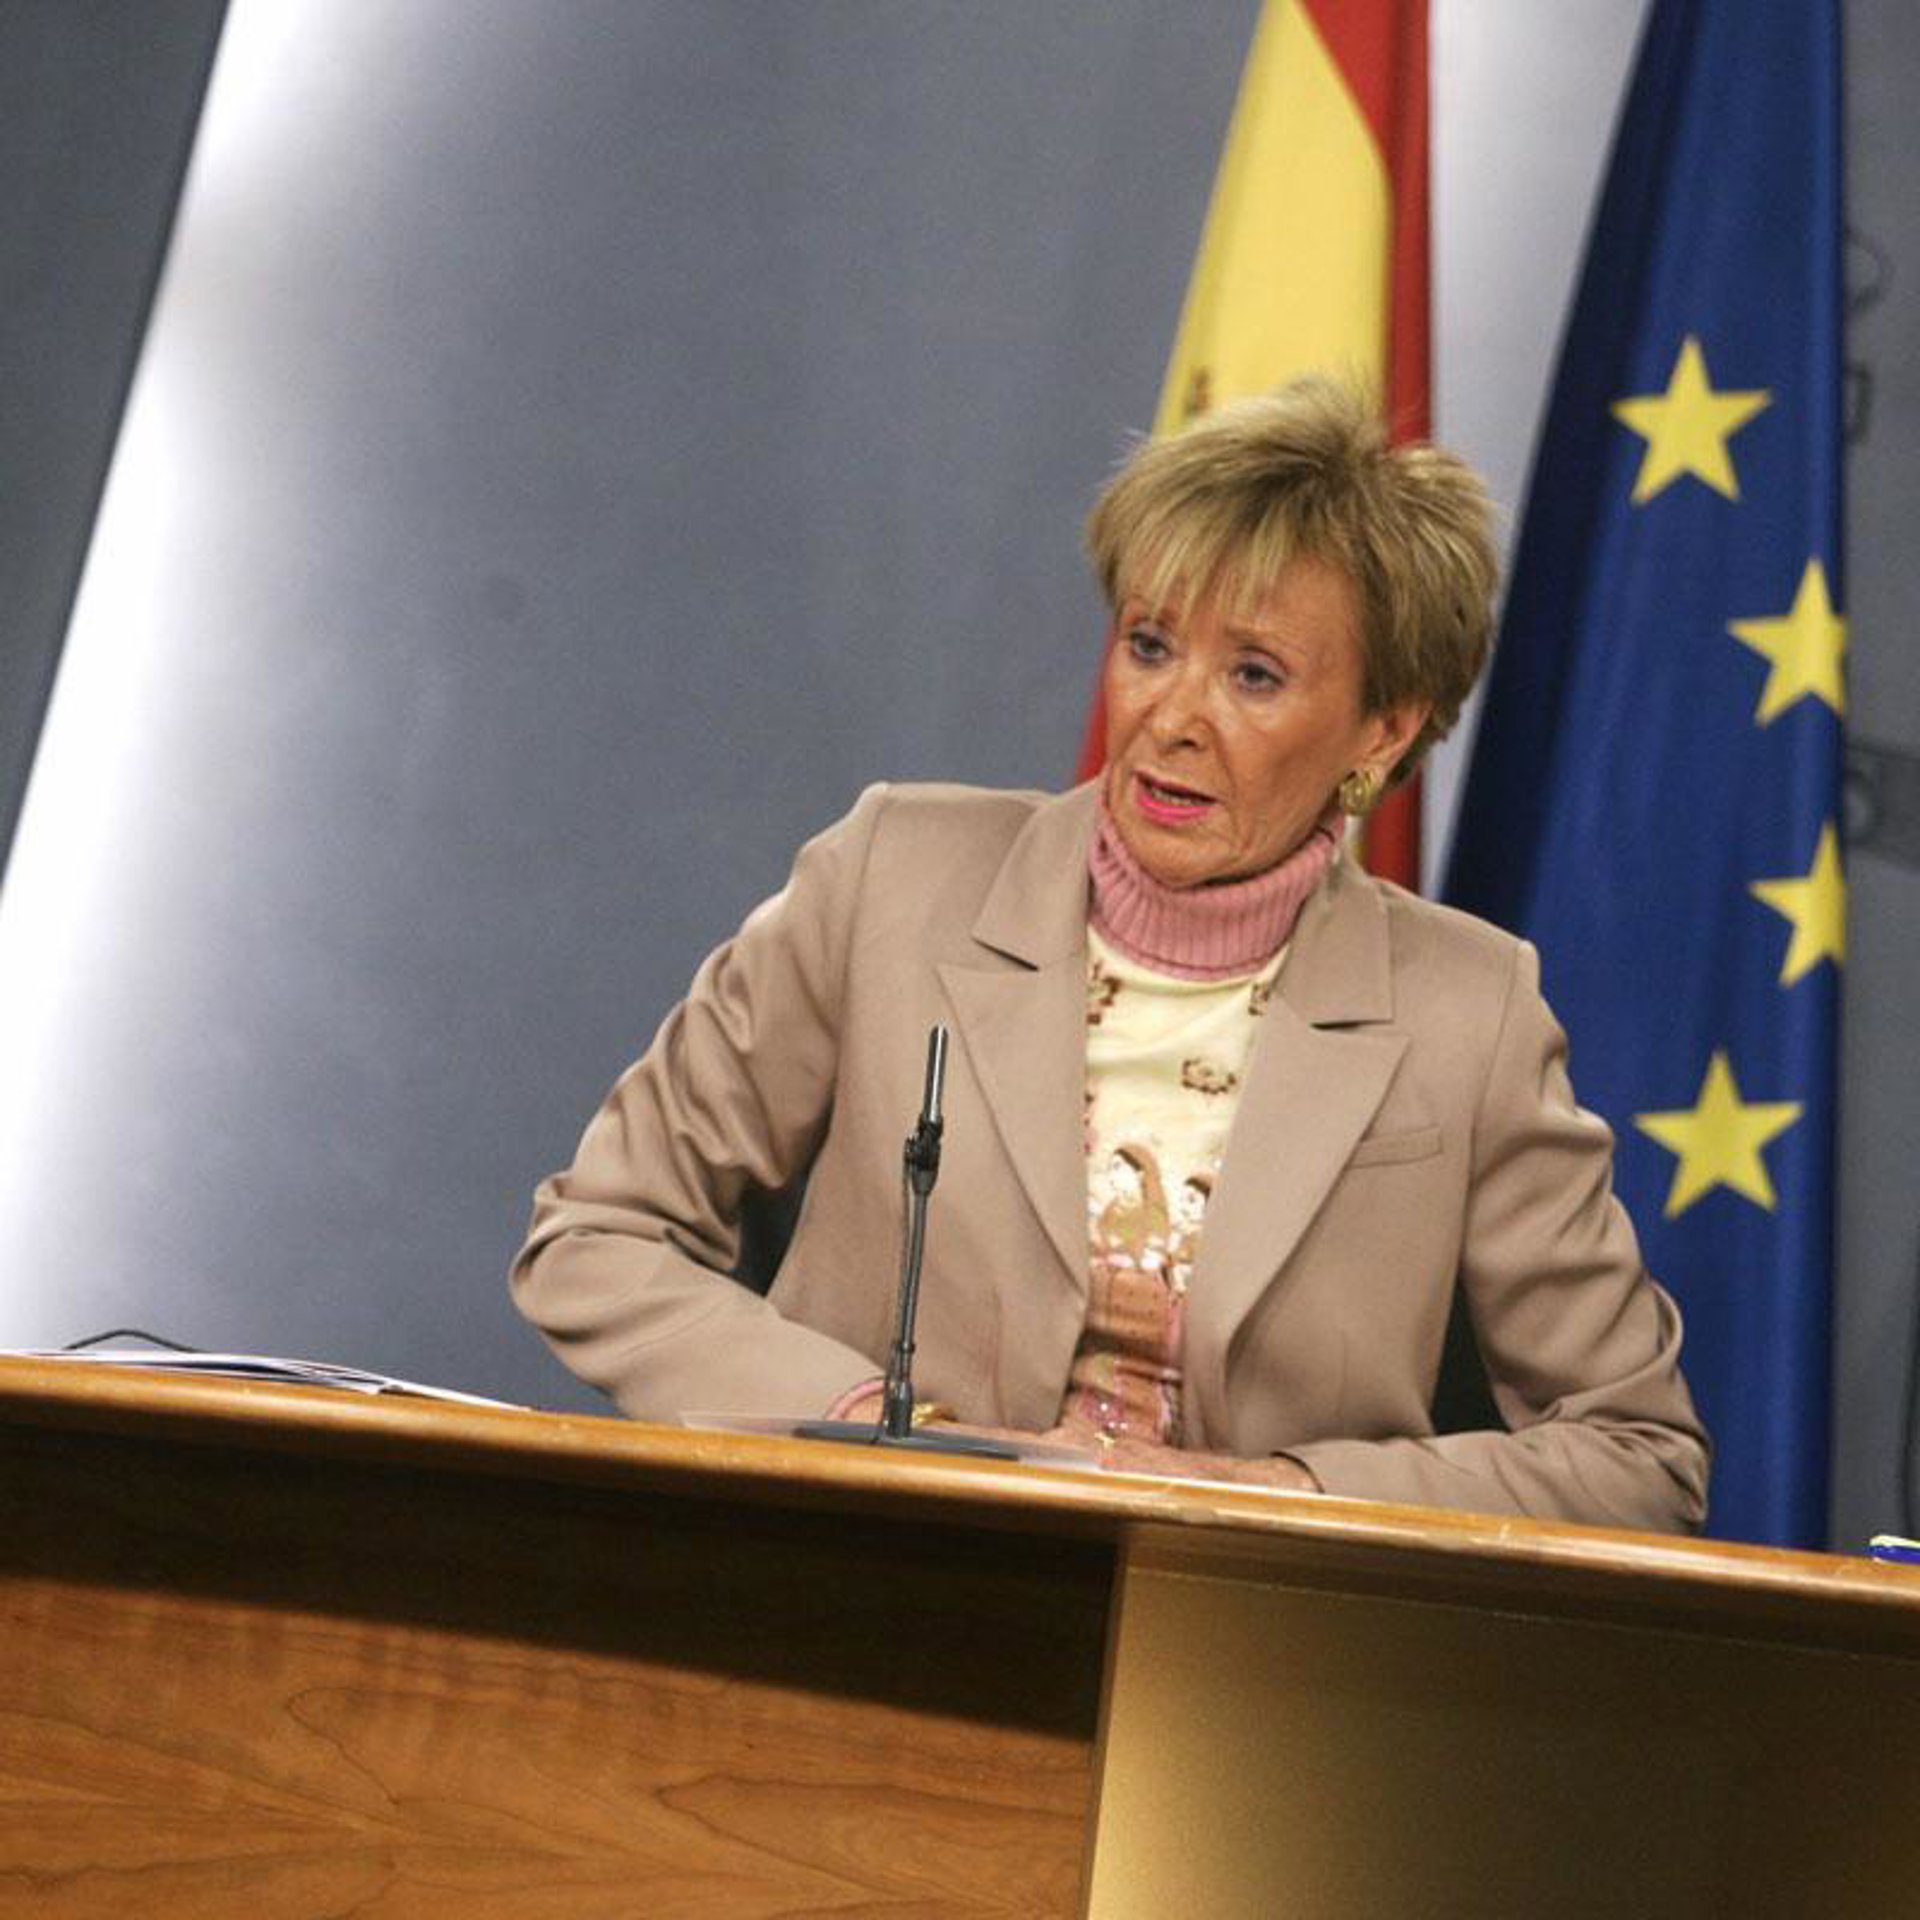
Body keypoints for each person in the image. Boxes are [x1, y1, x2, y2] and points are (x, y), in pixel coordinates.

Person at [512, 379, 1709, 1532]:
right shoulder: (891, 880)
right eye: (1149, 644)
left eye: (1253, 675)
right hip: (869, 1577)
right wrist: (861, 1425)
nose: (1172, 717)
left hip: (1236, 1638)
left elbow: (1638, 1454)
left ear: (1383, 730)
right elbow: (599, 1236)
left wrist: (1284, 1497)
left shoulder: (1470, 1013)